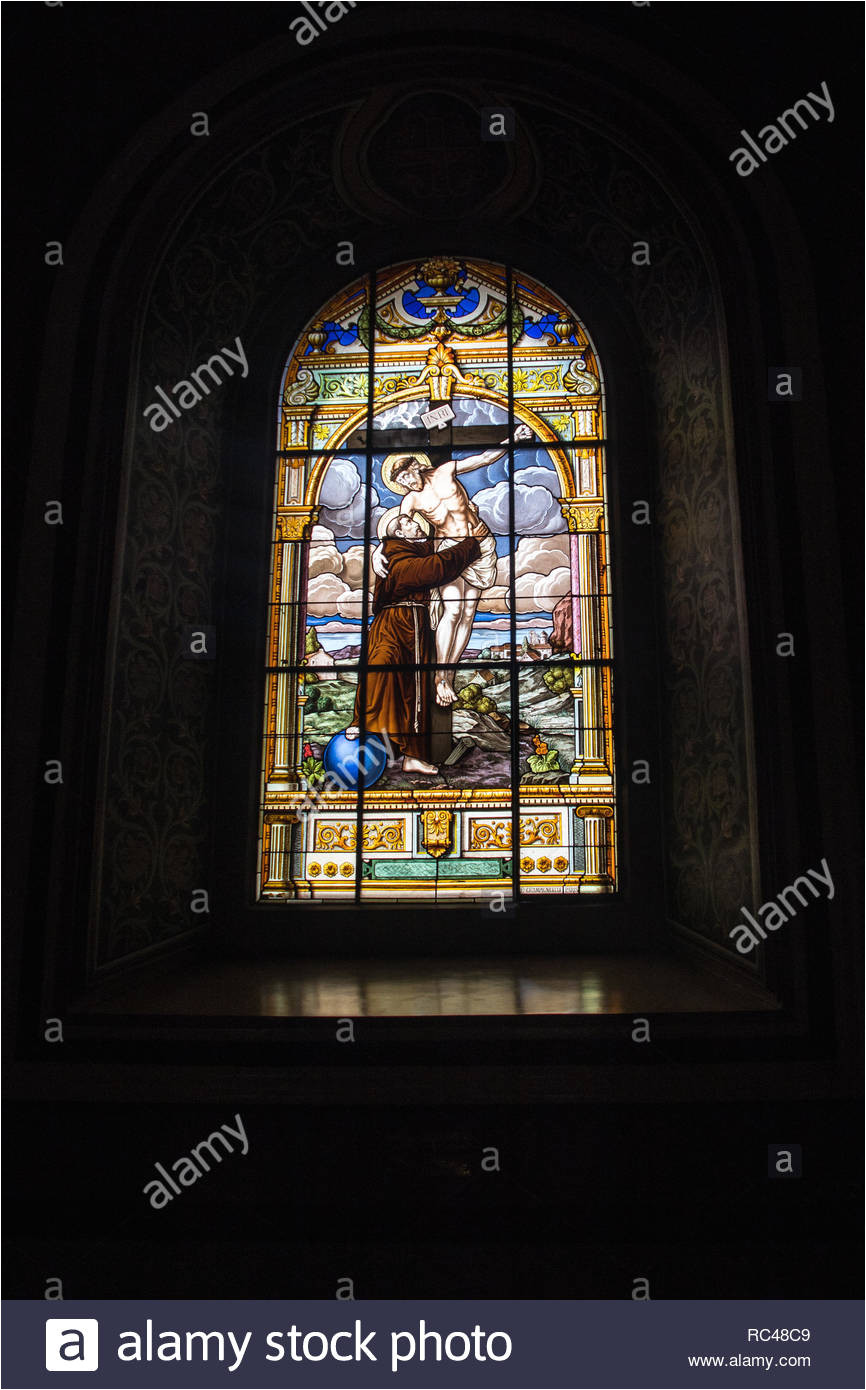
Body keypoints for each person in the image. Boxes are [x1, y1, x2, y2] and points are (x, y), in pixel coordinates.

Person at [374, 423, 532, 705]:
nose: (408, 484)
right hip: (448, 546)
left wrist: (512, 440)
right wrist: (377, 550)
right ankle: (440, 678)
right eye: (401, 482)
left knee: (468, 613)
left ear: (416, 467)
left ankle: (451, 669)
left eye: (408, 475)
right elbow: (399, 529)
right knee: (453, 609)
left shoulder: (446, 471)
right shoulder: (410, 500)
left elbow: (482, 458)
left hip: (479, 543)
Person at [346, 512, 481, 774]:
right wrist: (471, 545)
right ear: (398, 534)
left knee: (414, 690)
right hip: (394, 620)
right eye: (405, 522)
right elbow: (432, 569)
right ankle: (363, 722)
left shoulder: (415, 548)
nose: (413, 522)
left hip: (414, 624)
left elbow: (437, 550)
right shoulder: (394, 554)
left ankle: (412, 755)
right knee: (379, 669)